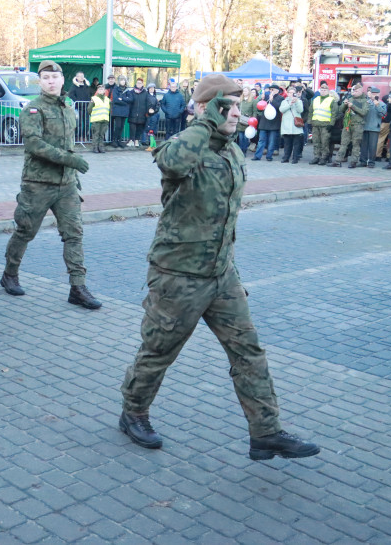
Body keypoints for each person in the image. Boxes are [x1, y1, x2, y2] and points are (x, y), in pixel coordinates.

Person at [118, 74, 319, 461]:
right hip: (179, 276)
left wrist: (232, 274)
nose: (235, 114)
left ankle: (266, 432)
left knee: (249, 352)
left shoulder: (232, 151)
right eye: (225, 106)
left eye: (237, 106)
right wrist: (205, 119)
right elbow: (171, 163)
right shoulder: (184, 146)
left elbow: (226, 222)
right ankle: (133, 411)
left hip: (221, 275)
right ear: (205, 109)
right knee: (159, 351)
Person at [0, 60, 102, 309]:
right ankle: (10, 274)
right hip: (38, 183)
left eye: (54, 77)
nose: (51, 81)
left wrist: (72, 173)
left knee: (74, 234)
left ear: (62, 80)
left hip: (66, 184)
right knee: (25, 231)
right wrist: (70, 159)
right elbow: (34, 145)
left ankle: (78, 287)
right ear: (40, 82)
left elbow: (68, 142)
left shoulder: (67, 106)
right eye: (45, 78)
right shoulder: (33, 109)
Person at [330, 83, 367, 168]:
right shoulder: (350, 98)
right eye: (353, 90)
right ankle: (337, 161)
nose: (354, 92)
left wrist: (353, 106)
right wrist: (344, 104)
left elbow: (364, 112)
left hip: (358, 125)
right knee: (343, 143)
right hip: (347, 124)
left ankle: (354, 161)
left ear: (361, 91)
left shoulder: (364, 101)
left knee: (355, 144)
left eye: (356, 90)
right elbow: (341, 110)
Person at [358, 87, 386, 167]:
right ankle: (363, 161)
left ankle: (371, 162)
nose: (374, 95)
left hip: (374, 127)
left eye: (375, 94)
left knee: (372, 146)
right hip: (365, 126)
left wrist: (377, 105)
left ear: (378, 94)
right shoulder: (367, 102)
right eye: (372, 94)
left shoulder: (382, 104)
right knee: (364, 146)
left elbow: (383, 114)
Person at [253, 87, 282, 161]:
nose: (271, 91)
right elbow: (259, 107)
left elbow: (278, 107)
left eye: (273, 90)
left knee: (271, 141)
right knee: (261, 140)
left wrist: (272, 100)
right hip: (264, 122)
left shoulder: (280, 98)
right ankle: (257, 156)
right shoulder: (265, 97)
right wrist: (261, 98)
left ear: (277, 91)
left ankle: (269, 156)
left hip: (274, 123)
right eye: (270, 90)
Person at [279, 86, 305, 163]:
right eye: (290, 92)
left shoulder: (299, 101)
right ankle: (286, 157)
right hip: (286, 126)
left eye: (293, 93)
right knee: (287, 143)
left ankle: (295, 158)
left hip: (296, 125)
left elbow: (300, 110)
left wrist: (296, 102)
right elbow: (281, 110)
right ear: (287, 93)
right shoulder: (284, 101)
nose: (291, 94)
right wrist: (290, 104)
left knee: (296, 144)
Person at [108, 76, 131, 148]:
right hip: (117, 111)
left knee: (121, 126)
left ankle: (119, 140)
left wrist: (122, 99)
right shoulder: (115, 89)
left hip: (124, 112)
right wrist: (125, 102)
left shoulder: (127, 90)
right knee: (117, 126)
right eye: (121, 80)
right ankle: (114, 140)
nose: (123, 82)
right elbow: (115, 99)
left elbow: (130, 99)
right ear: (119, 82)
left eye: (124, 80)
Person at [128, 79, 150, 148]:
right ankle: (131, 140)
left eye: (140, 83)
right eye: (138, 83)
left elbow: (148, 103)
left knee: (139, 128)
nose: (139, 84)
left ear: (142, 84)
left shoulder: (145, 93)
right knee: (132, 127)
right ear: (136, 83)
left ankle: (137, 140)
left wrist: (147, 112)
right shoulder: (132, 92)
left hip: (142, 113)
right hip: (133, 113)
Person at [89, 83, 111, 153]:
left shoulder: (107, 99)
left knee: (102, 135)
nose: (101, 90)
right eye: (99, 89)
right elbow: (89, 109)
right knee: (96, 134)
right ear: (97, 91)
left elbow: (109, 109)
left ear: (104, 91)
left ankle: (101, 147)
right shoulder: (94, 98)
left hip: (105, 119)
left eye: (102, 89)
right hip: (96, 120)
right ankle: (95, 147)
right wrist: (93, 115)